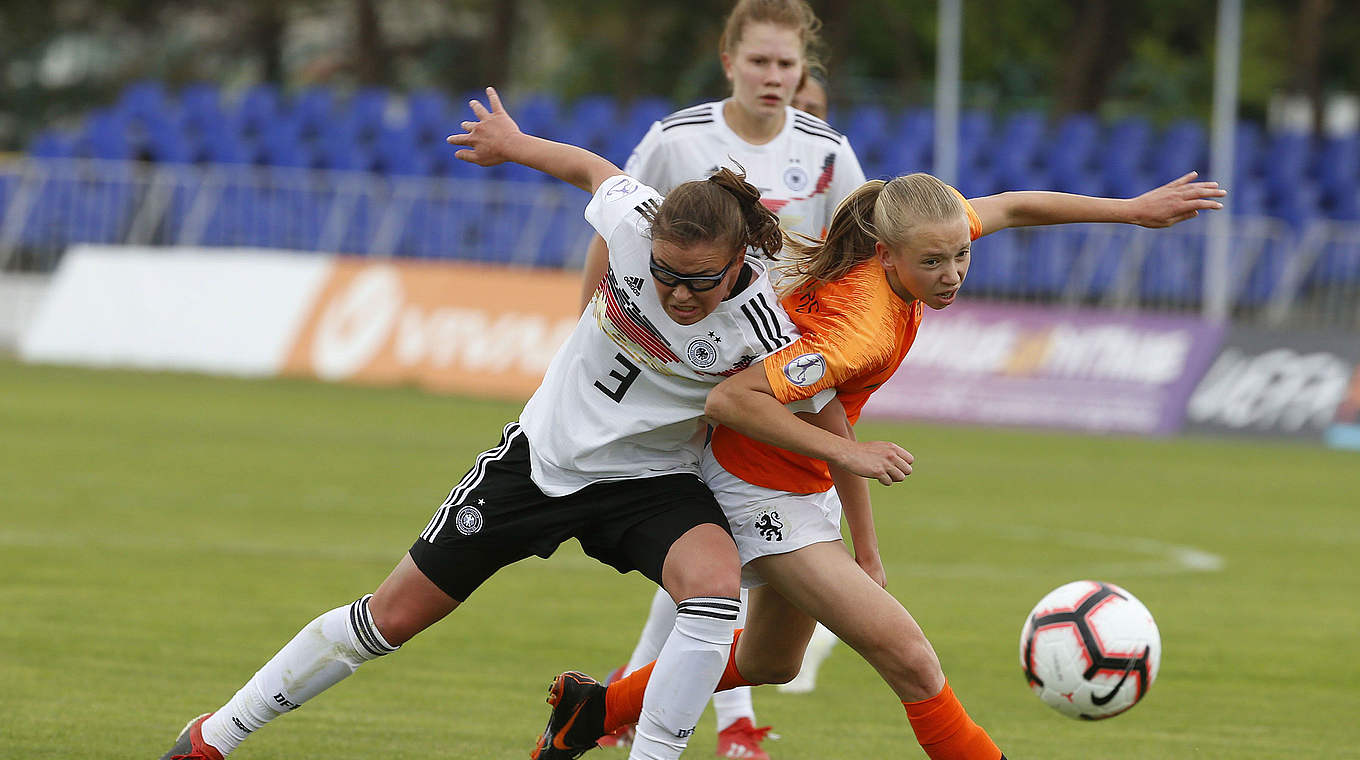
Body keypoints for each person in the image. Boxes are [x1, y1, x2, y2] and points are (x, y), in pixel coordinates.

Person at [155, 87, 914, 760]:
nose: (679, 294)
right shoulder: (634, 224)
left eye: (699, 281)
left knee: (714, 594)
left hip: (650, 485)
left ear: (738, 262)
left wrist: (867, 545)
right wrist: (513, 146)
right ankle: (215, 736)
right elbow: (591, 169)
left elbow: (831, 426)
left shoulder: (763, 325)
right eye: (665, 276)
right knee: (388, 619)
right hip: (539, 464)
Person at [533, 170, 1227, 760]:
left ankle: (594, 711)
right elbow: (730, 400)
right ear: (889, 256)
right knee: (910, 657)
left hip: (797, 481)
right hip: (756, 486)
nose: (951, 273)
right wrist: (850, 464)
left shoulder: (926, 234)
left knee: (775, 660)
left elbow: (1014, 206)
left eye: (960, 256)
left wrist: (1131, 211)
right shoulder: (857, 328)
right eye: (933, 263)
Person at [587, 4, 865, 756]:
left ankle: (628, 698)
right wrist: (586, 332)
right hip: (685, 374)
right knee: (722, 545)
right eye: (761, 62)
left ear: (803, 69)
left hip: (782, 378)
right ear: (729, 60)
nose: (775, 78)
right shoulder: (679, 140)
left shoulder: (830, 154)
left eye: (788, 66)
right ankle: (714, 722)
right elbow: (613, 230)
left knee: (721, 548)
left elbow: (855, 260)